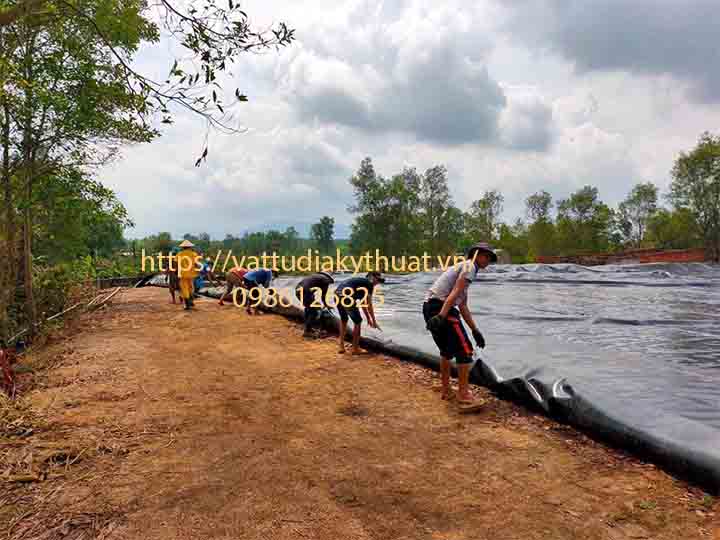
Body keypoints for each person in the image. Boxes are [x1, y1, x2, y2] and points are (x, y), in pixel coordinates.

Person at [423, 242, 496, 413]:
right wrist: (442, 315)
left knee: (447, 351)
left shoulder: (465, 268)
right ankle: (463, 395)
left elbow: (462, 305)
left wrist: (475, 330)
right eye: (485, 256)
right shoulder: (470, 267)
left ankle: (446, 390)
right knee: (465, 351)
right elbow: (455, 293)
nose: (488, 260)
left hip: (430, 306)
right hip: (441, 308)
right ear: (476, 254)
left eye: (489, 258)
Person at [335, 271, 384, 355]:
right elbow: (369, 305)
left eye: (380, 281)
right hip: (347, 297)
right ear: (371, 277)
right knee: (358, 322)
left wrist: (368, 319)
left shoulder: (361, 283)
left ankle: (341, 346)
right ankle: (355, 348)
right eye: (378, 280)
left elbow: (363, 304)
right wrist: (374, 321)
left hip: (337, 295)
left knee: (344, 320)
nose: (378, 283)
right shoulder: (369, 284)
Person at [295, 271, 334, 338]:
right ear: (330, 279)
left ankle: (308, 328)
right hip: (305, 292)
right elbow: (323, 296)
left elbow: (310, 290)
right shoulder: (325, 280)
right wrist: (327, 305)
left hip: (298, 290)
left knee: (308, 309)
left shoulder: (315, 276)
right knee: (313, 312)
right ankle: (307, 331)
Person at [176, 240, 200, 310]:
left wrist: (176, 271)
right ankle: (191, 301)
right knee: (191, 287)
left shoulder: (179, 254)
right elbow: (196, 264)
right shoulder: (194, 254)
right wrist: (198, 270)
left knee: (184, 289)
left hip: (183, 274)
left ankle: (187, 304)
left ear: (183, 247)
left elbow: (176, 264)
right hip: (192, 274)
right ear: (190, 247)